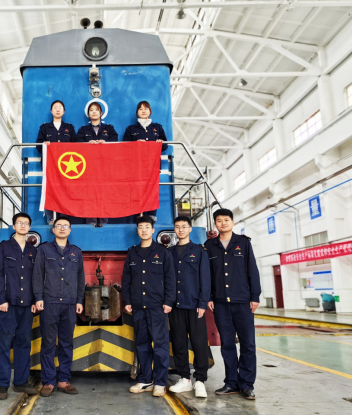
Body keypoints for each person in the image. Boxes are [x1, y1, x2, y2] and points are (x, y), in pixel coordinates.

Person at [204, 208, 261, 400]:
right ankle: (231, 383)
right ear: (215, 224)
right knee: (227, 344)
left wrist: (255, 296)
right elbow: (207, 275)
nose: (223, 223)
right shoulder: (210, 246)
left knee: (248, 344)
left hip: (242, 302)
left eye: (226, 220)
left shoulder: (243, 243)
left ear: (232, 222)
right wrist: (209, 297)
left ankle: (247, 384)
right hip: (220, 303)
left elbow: (252, 270)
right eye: (219, 220)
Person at [122, 216, 176, 397]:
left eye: (147, 227)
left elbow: (170, 279)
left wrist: (168, 301)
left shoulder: (162, 252)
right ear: (137, 231)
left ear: (153, 230)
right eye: (140, 227)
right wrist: (127, 301)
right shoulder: (133, 253)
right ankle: (145, 380)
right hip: (138, 306)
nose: (144, 230)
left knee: (160, 345)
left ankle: (160, 383)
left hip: (157, 306)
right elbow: (126, 279)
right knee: (142, 344)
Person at [32, 217, 85, 397]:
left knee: (66, 343)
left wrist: (79, 300)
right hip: (50, 302)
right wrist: (38, 297)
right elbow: (38, 275)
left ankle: (63, 380)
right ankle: (48, 381)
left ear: (70, 230)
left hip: (69, 303)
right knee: (48, 343)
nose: (62, 228)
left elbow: (80, 278)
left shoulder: (76, 252)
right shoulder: (44, 250)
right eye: (59, 226)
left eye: (65, 226)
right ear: (53, 230)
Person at [0, 213, 38, 400]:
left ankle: (20, 382)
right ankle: (2, 385)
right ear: (14, 226)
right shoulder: (4, 247)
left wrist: (35, 300)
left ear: (29, 227)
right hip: (9, 304)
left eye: (26, 223)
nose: (23, 225)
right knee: (4, 344)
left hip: (27, 305)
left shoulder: (33, 251)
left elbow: (36, 278)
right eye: (19, 223)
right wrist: (1, 299)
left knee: (23, 343)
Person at [168, 216, 211, 398]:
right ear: (175, 229)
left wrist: (202, 303)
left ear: (190, 229)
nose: (181, 230)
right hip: (175, 305)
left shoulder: (199, 251)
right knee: (179, 343)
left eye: (184, 226)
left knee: (199, 343)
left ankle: (200, 380)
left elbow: (205, 278)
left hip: (194, 305)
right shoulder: (169, 252)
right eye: (178, 227)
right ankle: (184, 379)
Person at [123, 101, 167, 222]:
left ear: (150, 111)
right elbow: (124, 148)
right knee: (137, 192)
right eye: (140, 109)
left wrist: (159, 143)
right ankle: (138, 217)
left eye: (146, 108)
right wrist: (135, 144)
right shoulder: (131, 129)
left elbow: (165, 146)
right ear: (137, 112)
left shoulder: (158, 127)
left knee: (152, 191)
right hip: (136, 167)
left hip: (153, 167)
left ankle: (151, 217)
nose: (143, 111)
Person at [75, 102, 118, 227]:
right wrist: (88, 144)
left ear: (101, 113)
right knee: (90, 195)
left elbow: (115, 142)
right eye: (91, 110)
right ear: (88, 114)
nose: (94, 112)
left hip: (105, 167)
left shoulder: (109, 129)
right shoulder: (83, 130)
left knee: (104, 194)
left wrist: (106, 143)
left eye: (96, 110)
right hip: (89, 168)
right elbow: (77, 144)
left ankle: (103, 222)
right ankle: (91, 223)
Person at [36, 100, 76, 224]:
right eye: (55, 107)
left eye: (60, 107)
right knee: (50, 190)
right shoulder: (44, 128)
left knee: (66, 189)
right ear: (51, 111)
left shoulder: (69, 128)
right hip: (50, 165)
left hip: (67, 165)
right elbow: (38, 146)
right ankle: (51, 218)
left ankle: (64, 217)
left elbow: (76, 147)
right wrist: (44, 144)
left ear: (64, 111)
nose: (58, 109)